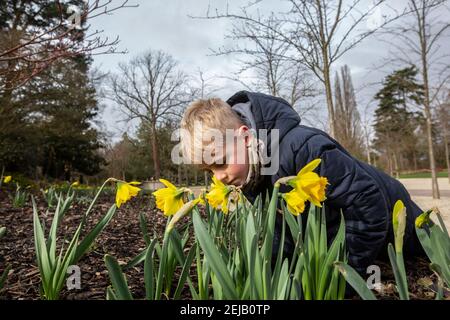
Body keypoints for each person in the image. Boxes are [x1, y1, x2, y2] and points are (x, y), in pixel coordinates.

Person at [180, 90, 425, 275]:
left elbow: (368, 206)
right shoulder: (251, 175)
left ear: (245, 137)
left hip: (405, 230)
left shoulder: (303, 148)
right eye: (209, 170)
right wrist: (275, 274)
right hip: (366, 244)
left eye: (221, 162)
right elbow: (282, 231)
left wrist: (344, 274)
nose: (219, 177)